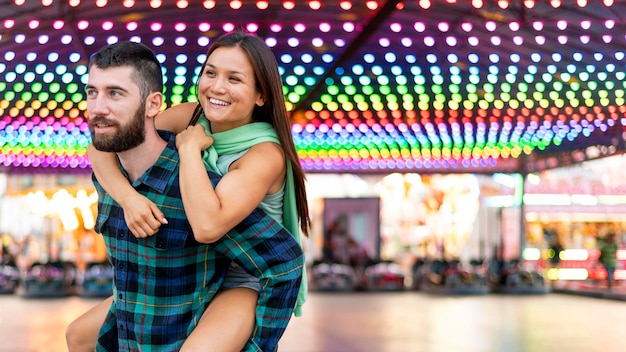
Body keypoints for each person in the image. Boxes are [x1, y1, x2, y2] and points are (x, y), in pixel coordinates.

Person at [67, 32, 309, 351]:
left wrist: (190, 149)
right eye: (211, 72)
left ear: (261, 95)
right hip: (196, 262)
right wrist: (130, 199)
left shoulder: (263, 155)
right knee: (79, 335)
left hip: (244, 274)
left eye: (234, 79)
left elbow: (208, 225)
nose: (216, 87)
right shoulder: (192, 114)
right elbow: (104, 148)